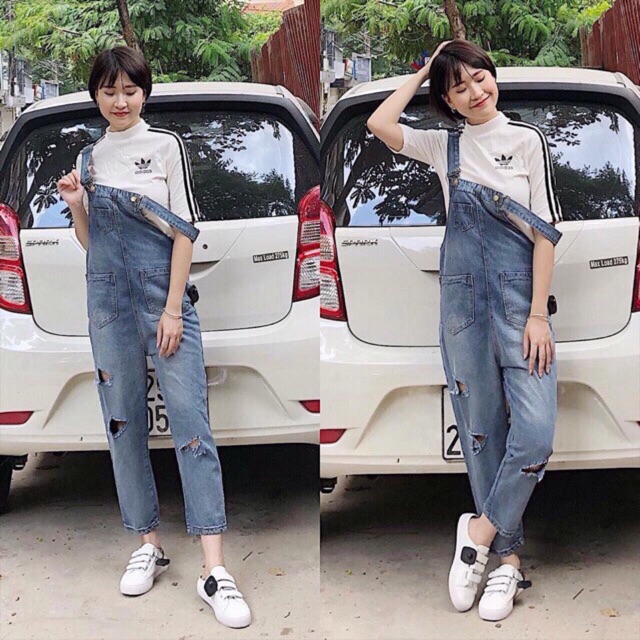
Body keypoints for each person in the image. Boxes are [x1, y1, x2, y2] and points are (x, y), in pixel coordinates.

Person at [367, 39, 562, 622]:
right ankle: (506, 563)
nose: (476, 91)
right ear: (447, 100)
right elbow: (380, 122)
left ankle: (477, 531)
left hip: (520, 303)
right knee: (481, 433)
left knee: (535, 433)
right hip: (463, 306)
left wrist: (537, 314)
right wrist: (428, 67)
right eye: (459, 87)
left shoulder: (526, 141)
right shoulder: (443, 144)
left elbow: (545, 234)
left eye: (480, 77)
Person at [56, 46, 251, 629]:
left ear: (144, 92)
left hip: (162, 300)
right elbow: (93, 246)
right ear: (95, 95)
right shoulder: (89, 158)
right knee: (122, 421)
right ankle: (147, 544)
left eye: (130, 90)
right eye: (109, 91)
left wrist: (171, 310)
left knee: (192, 424)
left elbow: (184, 233)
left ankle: (214, 568)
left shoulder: (165, 146)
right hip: (107, 303)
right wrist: (77, 206)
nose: (120, 101)